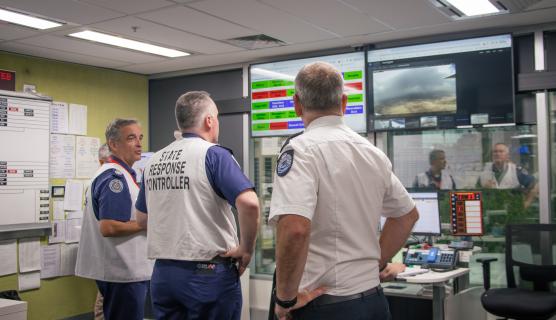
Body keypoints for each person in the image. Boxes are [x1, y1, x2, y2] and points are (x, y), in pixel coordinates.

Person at [268, 62, 419, 320]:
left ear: (296, 104)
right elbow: (407, 216)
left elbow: (294, 228)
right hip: (373, 302)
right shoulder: (372, 153)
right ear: (344, 102)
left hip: (324, 305)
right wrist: (375, 264)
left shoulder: (301, 151)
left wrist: (284, 298)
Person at [135, 91, 260, 320]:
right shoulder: (214, 155)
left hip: (164, 274)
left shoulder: (153, 161)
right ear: (209, 121)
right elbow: (250, 204)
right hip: (207, 275)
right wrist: (246, 249)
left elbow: (142, 219)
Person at [75, 119, 154, 320]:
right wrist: (147, 223)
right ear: (113, 144)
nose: (138, 144)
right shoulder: (114, 178)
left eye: (140, 138)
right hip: (123, 272)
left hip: (124, 271)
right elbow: (109, 227)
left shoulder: (122, 174)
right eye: (131, 138)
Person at [479, 142, 537, 207]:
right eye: (495, 152)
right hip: (491, 210)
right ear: (492, 155)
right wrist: (485, 189)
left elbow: (535, 186)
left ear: (507, 155)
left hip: (512, 211)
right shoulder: (484, 171)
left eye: (501, 151)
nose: (497, 154)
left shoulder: (516, 170)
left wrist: (527, 203)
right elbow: (477, 192)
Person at [93, 143, 110, 320]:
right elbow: (108, 227)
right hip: (106, 254)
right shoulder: (104, 182)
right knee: (104, 302)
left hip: (109, 256)